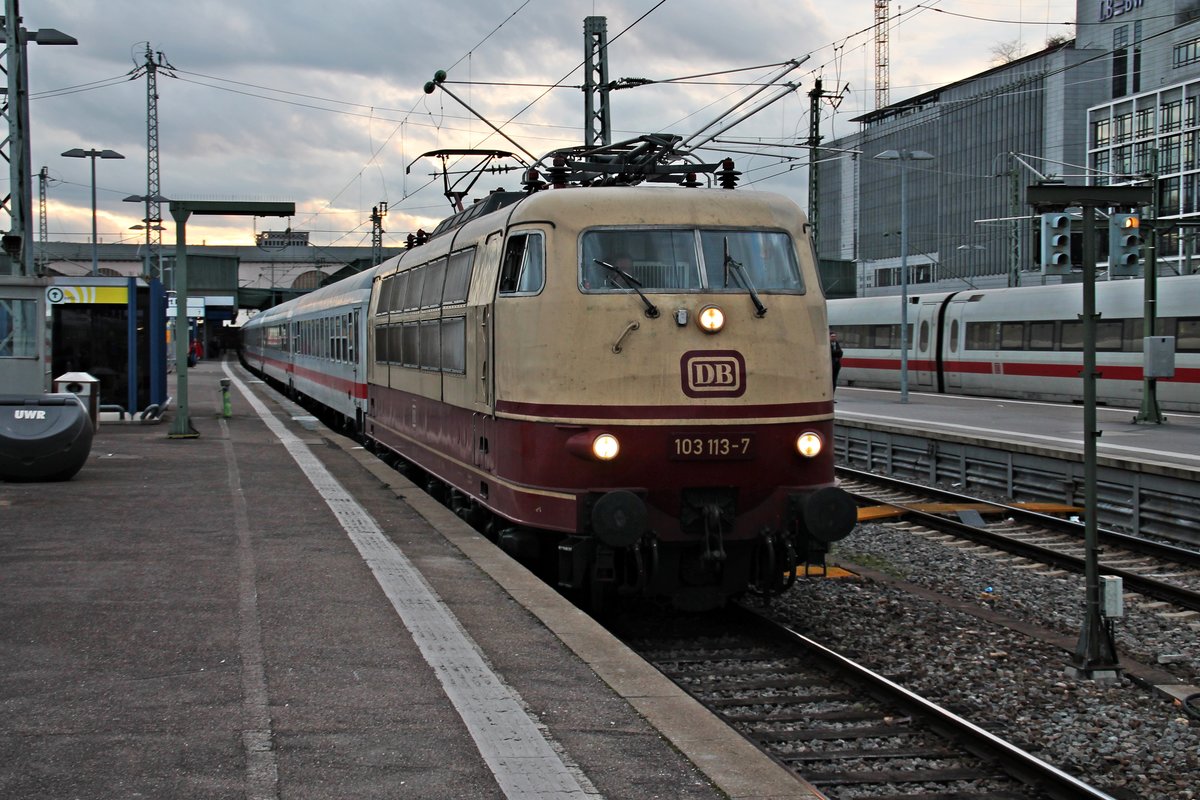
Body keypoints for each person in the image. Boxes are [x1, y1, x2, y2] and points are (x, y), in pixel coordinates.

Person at [829, 331, 843, 397]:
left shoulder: (836, 343)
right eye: (832, 336)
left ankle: (832, 396)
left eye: (835, 336)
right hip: (829, 365)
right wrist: (836, 352)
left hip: (836, 365)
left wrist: (835, 352)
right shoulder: (827, 344)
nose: (834, 338)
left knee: (834, 381)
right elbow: (830, 353)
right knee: (829, 381)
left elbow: (840, 353)